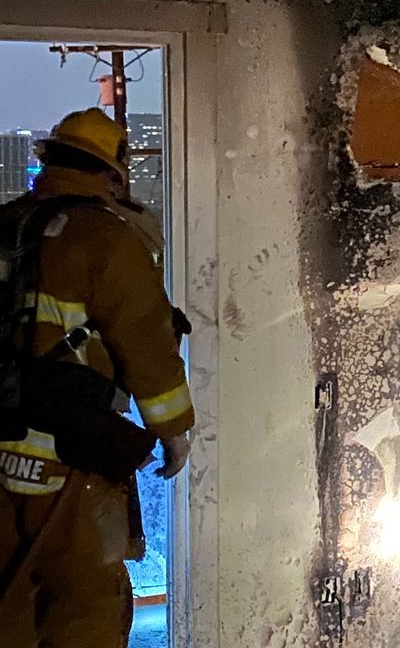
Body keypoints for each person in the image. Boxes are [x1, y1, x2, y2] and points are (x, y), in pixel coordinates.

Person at [0, 108, 194, 647]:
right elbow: (146, 341)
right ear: (111, 172)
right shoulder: (107, 237)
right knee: (87, 603)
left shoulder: (7, 224)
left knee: (10, 601)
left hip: (3, 449)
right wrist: (173, 431)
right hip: (72, 458)